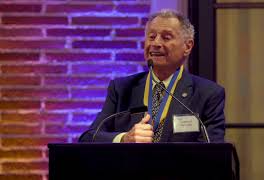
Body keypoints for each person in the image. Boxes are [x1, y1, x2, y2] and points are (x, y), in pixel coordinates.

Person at [79, 9, 225, 143]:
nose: (156, 43)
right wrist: (124, 138)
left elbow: (211, 151)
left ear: (187, 46)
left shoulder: (208, 94)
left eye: (166, 38)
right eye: (152, 36)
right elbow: (89, 137)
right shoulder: (121, 89)